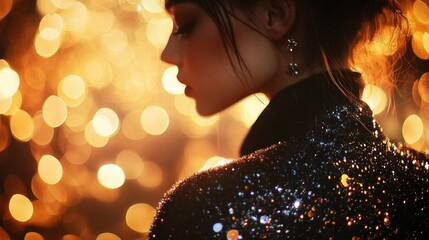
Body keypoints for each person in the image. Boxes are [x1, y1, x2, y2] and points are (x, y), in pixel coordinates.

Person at [149, 0, 429, 239]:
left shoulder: (203, 207)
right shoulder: (420, 181)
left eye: (185, 25)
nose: (166, 54)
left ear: (275, 14)